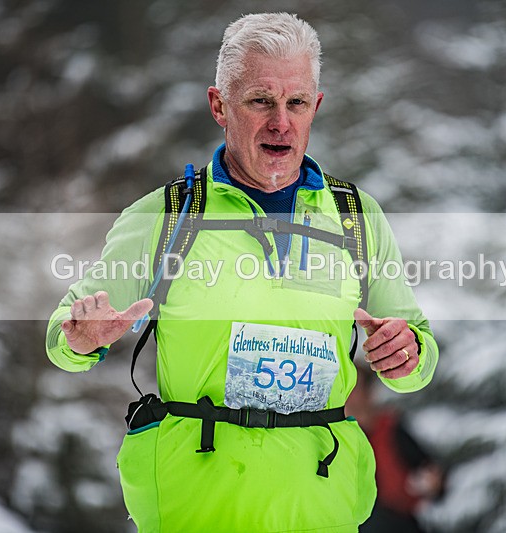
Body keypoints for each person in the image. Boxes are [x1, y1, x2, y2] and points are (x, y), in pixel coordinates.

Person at [46, 12, 438, 533]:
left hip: (320, 506)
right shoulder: (165, 218)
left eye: (296, 102)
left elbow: (418, 351)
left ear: (314, 107)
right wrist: (80, 337)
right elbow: (62, 338)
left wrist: (406, 354)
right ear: (219, 106)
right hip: (196, 507)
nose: (281, 121)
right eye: (260, 100)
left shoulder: (356, 218)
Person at [346, 365, 446, 532]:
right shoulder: (336, 437)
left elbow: (431, 474)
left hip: (398, 523)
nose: (349, 394)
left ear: (369, 391)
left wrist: (432, 483)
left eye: (355, 387)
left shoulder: (391, 428)